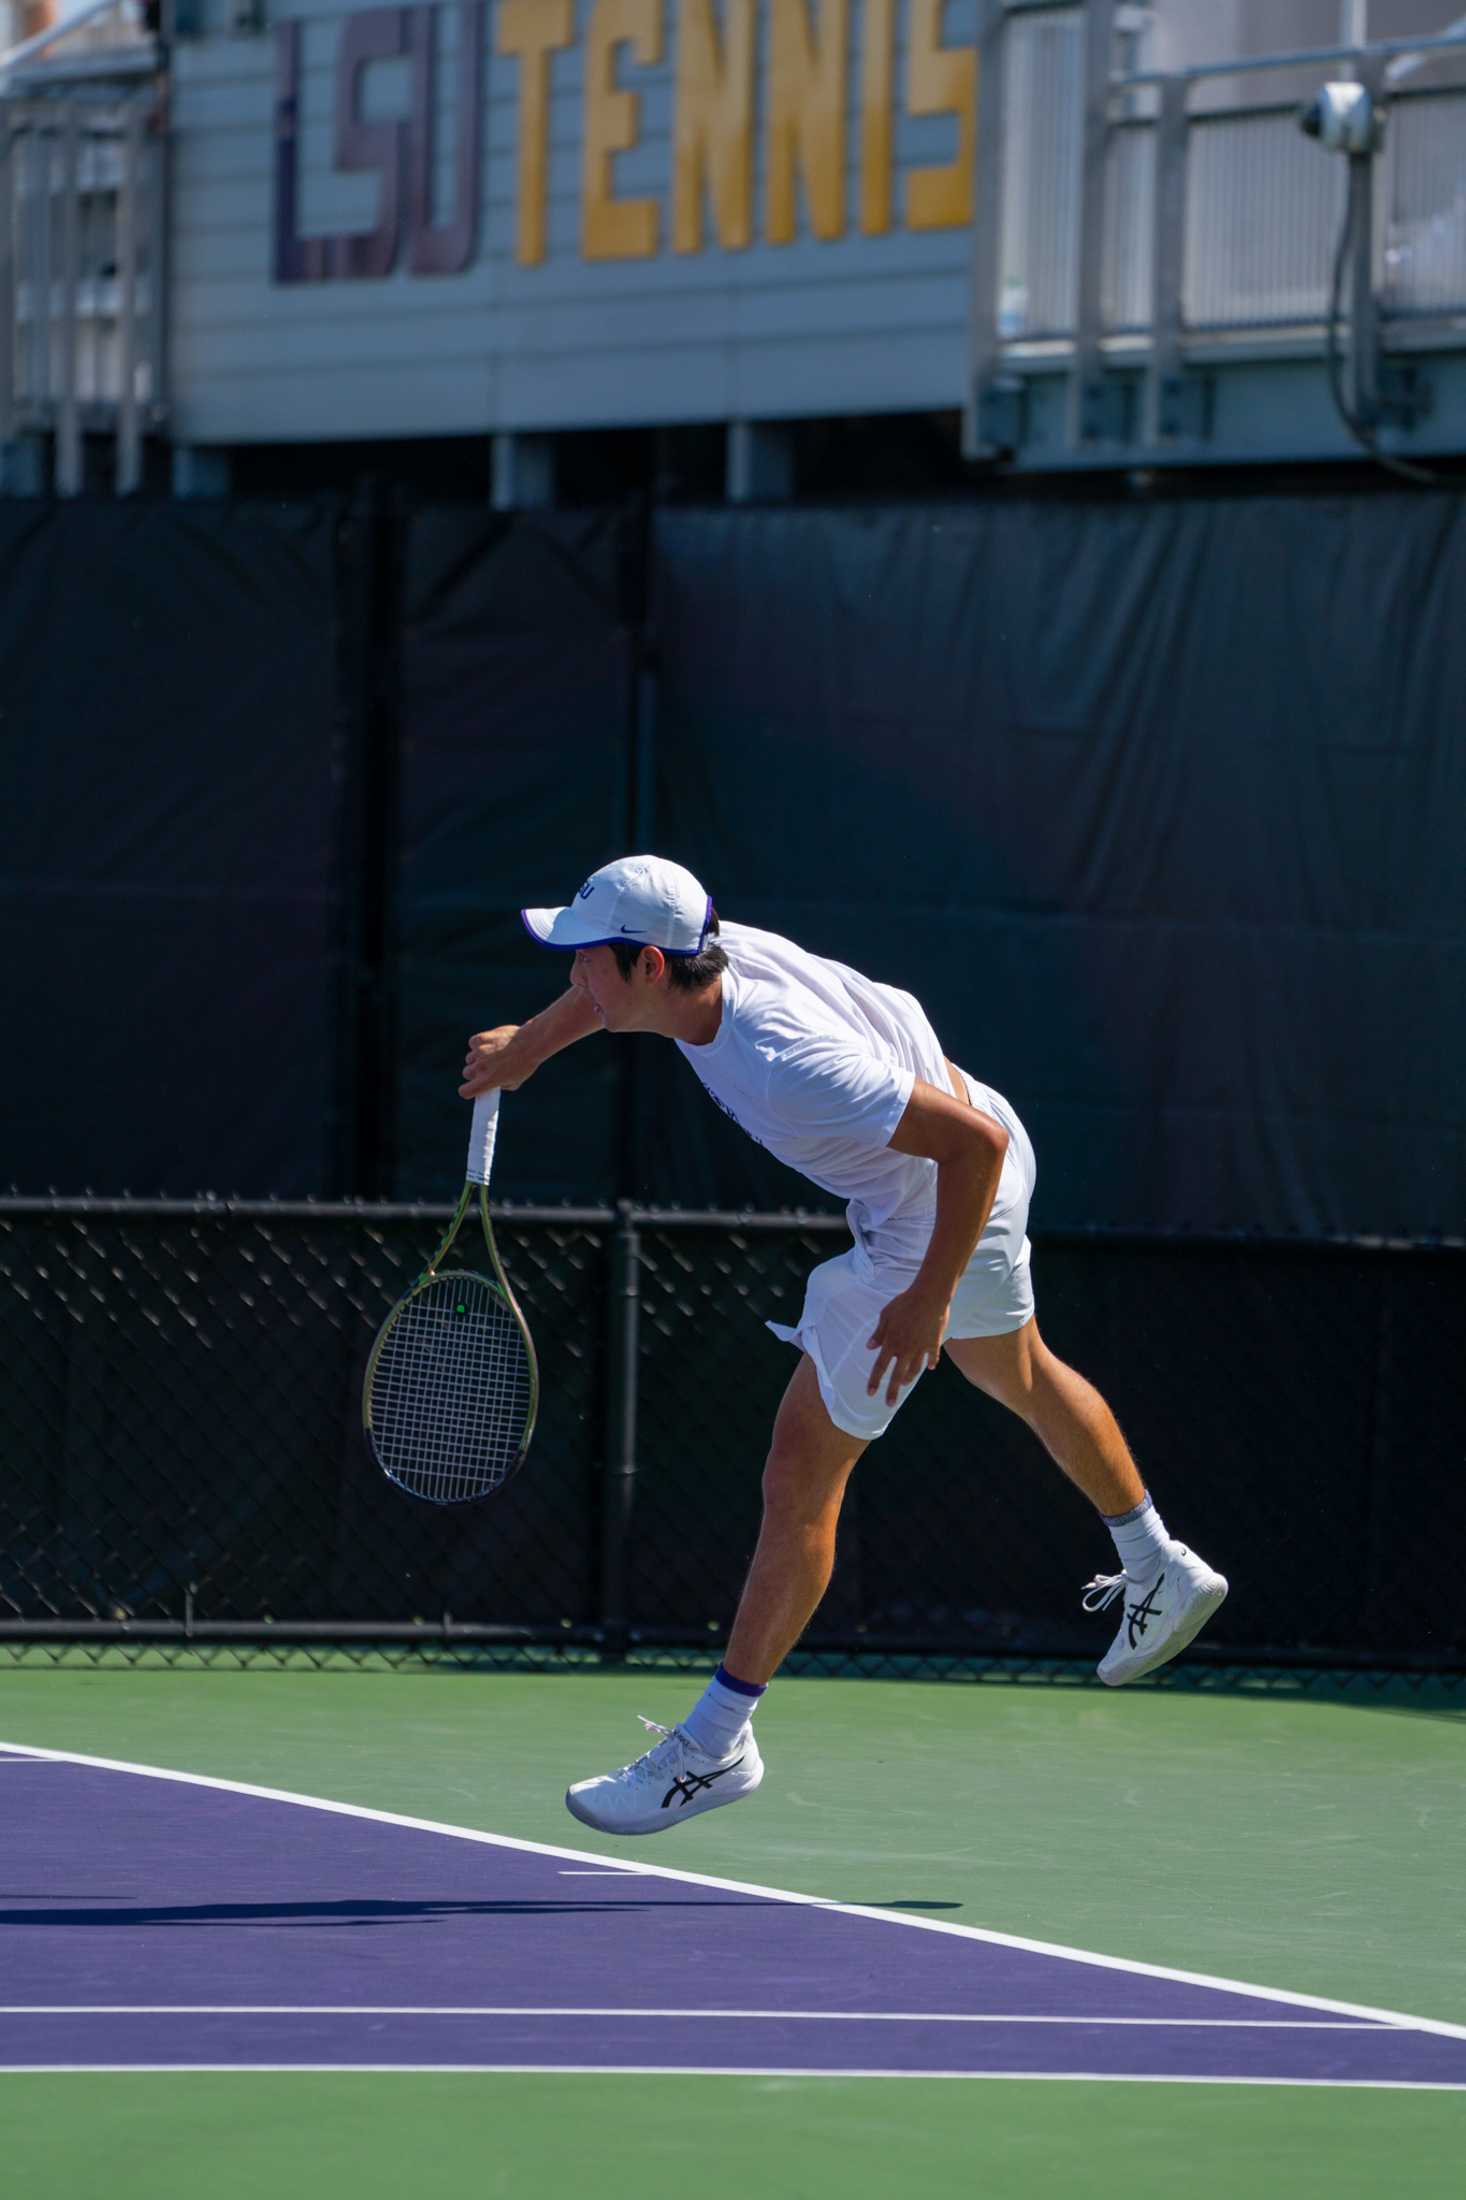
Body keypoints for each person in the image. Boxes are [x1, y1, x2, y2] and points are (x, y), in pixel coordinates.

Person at [460, 855, 1227, 1836]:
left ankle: (714, 1741)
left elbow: (968, 1153)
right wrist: (530, 1044)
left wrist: (923, 1300)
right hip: (974, 1141)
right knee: (1015, 1369)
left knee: (799, 1472)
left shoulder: (782, 1059)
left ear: (652, 965)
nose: (572, 978)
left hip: (943, 1200)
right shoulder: (699, 964)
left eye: (586, 964)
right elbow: (599, 995)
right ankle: (1155, 1561)